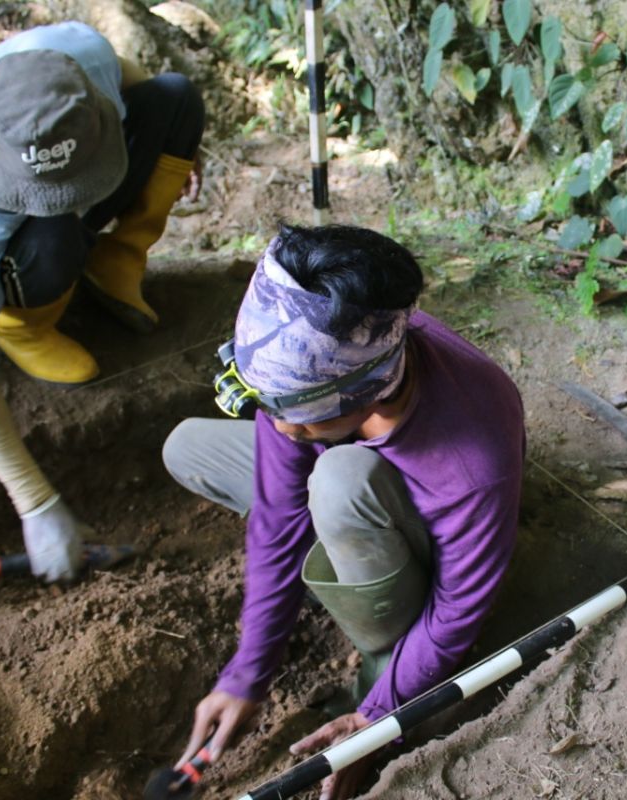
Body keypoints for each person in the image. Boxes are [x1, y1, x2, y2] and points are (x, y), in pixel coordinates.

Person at [162, 224, 525, 799]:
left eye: (299, 418)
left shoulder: (472, 459)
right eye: (274, 406)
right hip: (360, 491)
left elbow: (457, 610)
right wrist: (248, 672)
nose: (282, 428)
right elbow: (278, 519)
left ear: (367, 393)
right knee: (188, 445)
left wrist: (378, 718)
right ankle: (341, 563)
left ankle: (379, 650)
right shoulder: (308, 362)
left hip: (422, 541)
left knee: (339, 480)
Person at [0, 22, 204, 582]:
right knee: (54, 235)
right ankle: (24, 325)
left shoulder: (79, 56)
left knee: (175, 98)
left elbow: (139, 83)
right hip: (8, 243)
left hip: (55, 184)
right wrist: (35, 504)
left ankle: (114, 264)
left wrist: (178, 148)